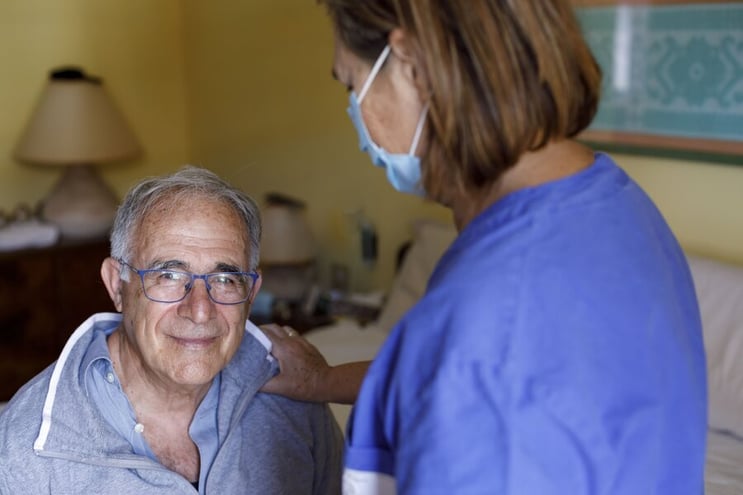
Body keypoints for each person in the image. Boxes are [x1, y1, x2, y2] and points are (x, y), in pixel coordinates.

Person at [259, 1, 708, 493]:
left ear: (412, 68)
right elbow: (464, 374)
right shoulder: (613, 204)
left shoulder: (493, 313)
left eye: (351, 83)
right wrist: (321, 382)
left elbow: (481, 364)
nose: (355, 112)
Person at [0, 166, 343, 494]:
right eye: (168, 276)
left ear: (251, 295)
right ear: (116, 286)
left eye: (225, 279)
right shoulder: (24, 449)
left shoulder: (296, 403)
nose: (199, 310)